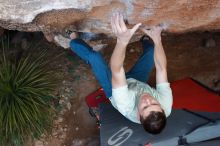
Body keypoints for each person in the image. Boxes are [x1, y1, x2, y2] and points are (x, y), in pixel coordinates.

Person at [69, 13, 173, 134]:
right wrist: (157, 39)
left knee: (94, 58)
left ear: (139, 115)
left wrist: (122, 42)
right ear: (162, 108)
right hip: (137, 82)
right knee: (152, 51)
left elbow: (117, 70)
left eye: (145, 107)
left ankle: (73, 39)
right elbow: (161, 68)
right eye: (154, 103)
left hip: (113, 89)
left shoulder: (125, 104)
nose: (148, 100)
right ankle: (145, 38)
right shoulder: (166, 104)